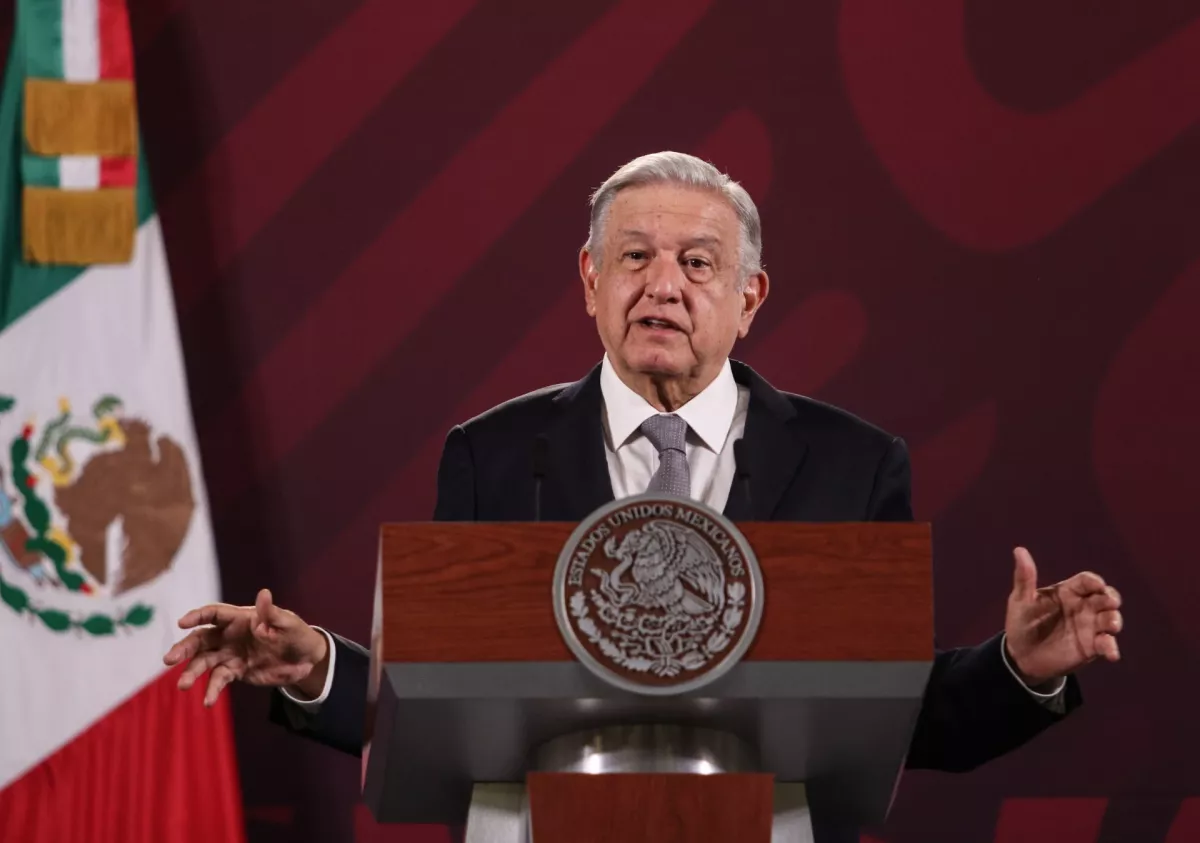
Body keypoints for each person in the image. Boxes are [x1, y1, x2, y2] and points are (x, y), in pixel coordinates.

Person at [165, 151, 1123, 774]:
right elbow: (439, 700)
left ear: (750, 297)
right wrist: (317, 666)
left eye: (698, 263)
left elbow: (889, 715)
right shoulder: (492, 456)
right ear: (591, 282)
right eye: (634, 257)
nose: (663, 283)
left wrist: (1017, 670)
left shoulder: (852, 465)